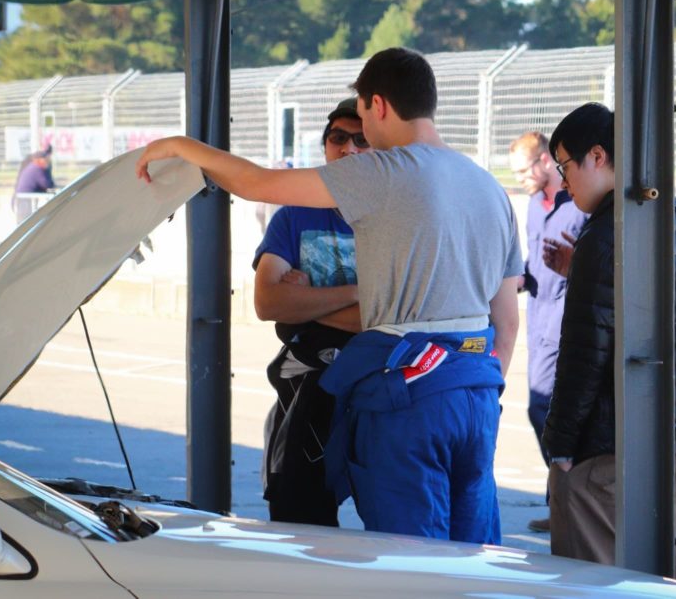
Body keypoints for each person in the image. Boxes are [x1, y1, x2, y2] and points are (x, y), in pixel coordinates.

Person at [136, 47, 522, 545]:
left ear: (378, 104)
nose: (364, 135)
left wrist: (184, 146)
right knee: (475, 559)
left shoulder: (385, 171)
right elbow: (507, 323)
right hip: (478, 392)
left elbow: (256, 183)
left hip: (408, 397)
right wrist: (480, 396)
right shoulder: (491, 189)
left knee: (412, 564)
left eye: (362, 117)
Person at [540, 102, 676, 580]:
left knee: (591, 582)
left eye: (565, 167)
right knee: (665, 576)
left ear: (597, 156)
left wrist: (561, 447)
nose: (563, 182)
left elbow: (585, 354)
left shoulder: (606, 234)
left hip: (608, 448)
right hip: (672, 437)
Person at [253, 97, 370, 526]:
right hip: (309, 385)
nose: (348, 149)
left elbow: (386, 317)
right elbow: (268, 302)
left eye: (361, 139)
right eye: (337, 138)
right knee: (294, 505)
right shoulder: (293, 217)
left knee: (399, 528)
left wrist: (304, 309)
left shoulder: (392, 218)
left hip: (380, 380)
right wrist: (358, 292)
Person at [507, 131, 587, 534]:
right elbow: (533, 261)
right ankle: (561, 503)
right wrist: (516, 277)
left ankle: (569, 505)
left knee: (558, 415)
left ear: (543, 162)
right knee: (541, 411)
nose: (521, 178)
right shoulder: (533, 208)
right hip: (539, 325)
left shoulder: (580, 206)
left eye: (524, 170)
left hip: (568, 328)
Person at [12, 145, 55, 223]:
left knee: (26, 221)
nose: (46, 160)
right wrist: (46, 169)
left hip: (24, 197)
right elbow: (47, 184)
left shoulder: (33, 166)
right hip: (24, 199)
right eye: (44, 158)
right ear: (39, 160)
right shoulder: (37, 168)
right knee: (25, 223)